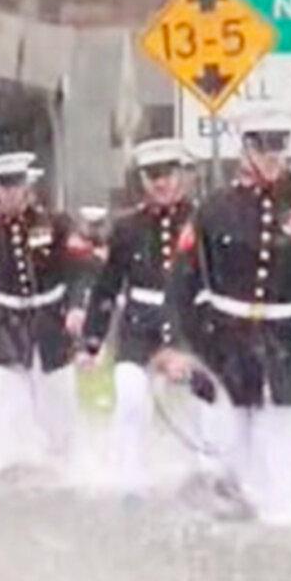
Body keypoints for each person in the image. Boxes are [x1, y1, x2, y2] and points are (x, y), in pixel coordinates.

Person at [162, 116, 291, 523]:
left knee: (280, 458)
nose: (271, 159)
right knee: (222, 456)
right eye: (262, 149)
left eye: (278, 149)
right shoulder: (214, 208)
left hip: (286, 344)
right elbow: (182, 282)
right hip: (223, 346)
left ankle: (277, 540)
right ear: (246, 151)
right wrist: (178, 346)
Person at [80, 139, 196, 492]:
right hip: (138, 326)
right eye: (152, 175)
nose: (161, 183)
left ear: (182, 176)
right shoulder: (128, 227)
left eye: (168, 174)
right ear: (143, 180)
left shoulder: (202, 220)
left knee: (201, 409)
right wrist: (92, 341)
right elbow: (107, 285)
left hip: (189, 325)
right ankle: (130, 478)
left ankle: (202, 478)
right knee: (131, 396)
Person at [0, 152, 88, 474]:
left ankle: (64, 470)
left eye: (16, 185)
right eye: (3, 186)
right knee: (10, 410)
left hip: (51, 322)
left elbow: (78, 269)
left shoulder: (57, 223)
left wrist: (76, 307)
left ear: (28, 186)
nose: (10, 193)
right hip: (7, 326)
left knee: (59, 409)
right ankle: (17, 477)